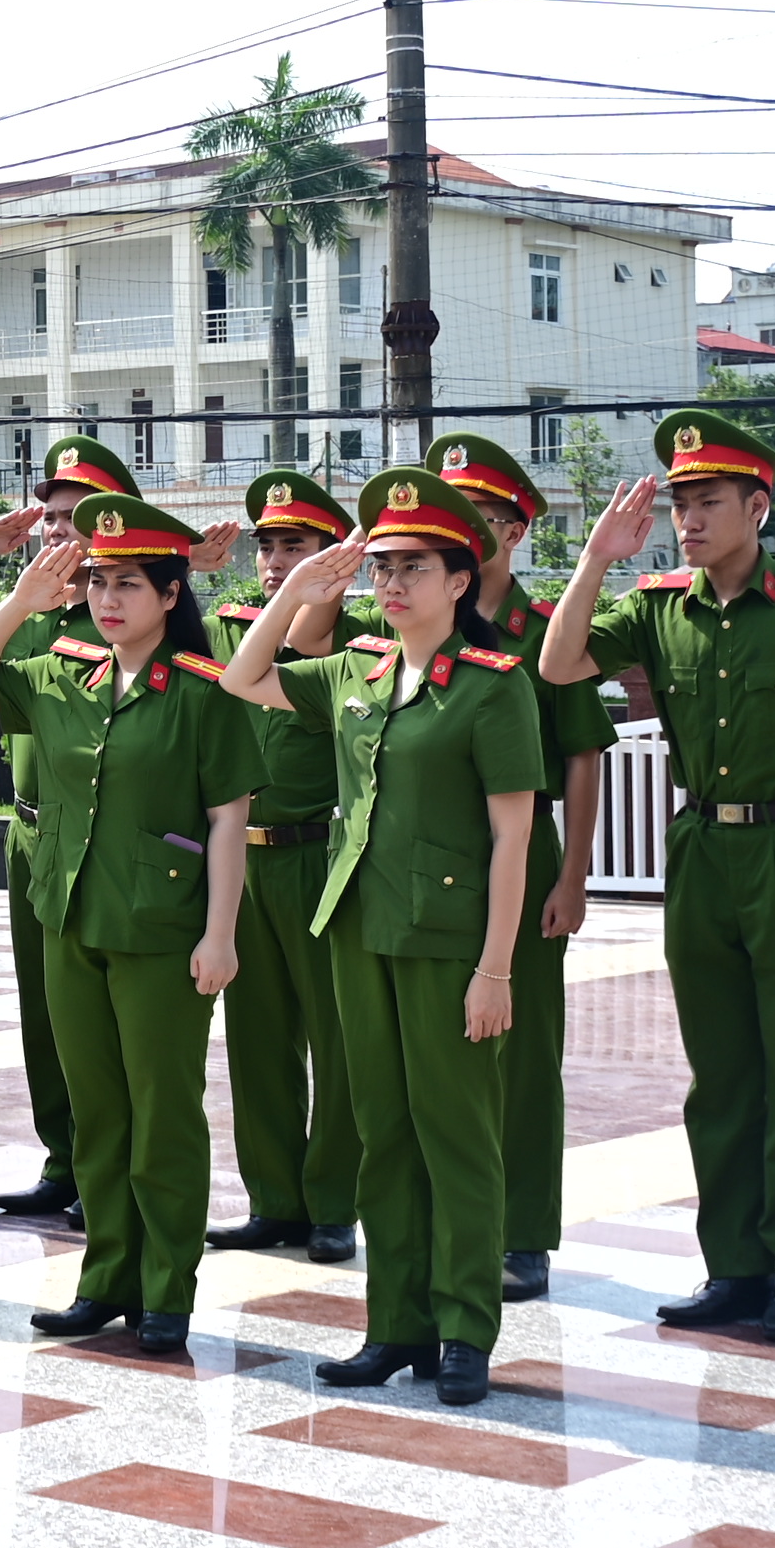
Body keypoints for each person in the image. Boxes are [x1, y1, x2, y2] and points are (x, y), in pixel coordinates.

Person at [539, 410, 775, 1346]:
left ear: (757, 506)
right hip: (698, 850)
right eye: (679, 504)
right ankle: (734, 1266)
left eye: (706, 503)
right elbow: (559, 659)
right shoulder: (658, 604)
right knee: (721, 1071)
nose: (687, 520)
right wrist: (599, 559)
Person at [220, 470, 542, 1406]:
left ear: (458, 579)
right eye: (383, 566)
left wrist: (495, 968)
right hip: (357, 929)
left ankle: (464, 1331)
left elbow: (513, 836)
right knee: (384, 1137)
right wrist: (298, 589)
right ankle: (393, 1325)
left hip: (447, 943)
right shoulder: (353, 674)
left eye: (413, 567)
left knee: (457, 1137)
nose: (391, 583)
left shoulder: (492, 689)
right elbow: (245, 676)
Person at [0, 502, 261, 1352]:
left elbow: (230, 819)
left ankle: (167, 1290)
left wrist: (221, 933)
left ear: (170, 592)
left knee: (162, 1115)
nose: (107, 598)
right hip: (69, 918)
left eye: (127, 583)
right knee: (97, 1114)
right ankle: (105, 1279)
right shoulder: (60, 672)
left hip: (164, 929)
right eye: (97, 581)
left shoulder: (204, 688)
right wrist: (20, 603)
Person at [311, 434, 613, 1304]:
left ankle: (522, 1233)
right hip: (404, 871)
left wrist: (576, 876)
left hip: (515, 853)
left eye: (472, 522)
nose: (407, 563)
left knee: (515, 1056)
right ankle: (420, 1270)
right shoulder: (392, 624)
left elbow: (582, 753)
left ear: (505, 536)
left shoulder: (538, 628)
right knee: (410, 1081)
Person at [204, 473, 364, 1267]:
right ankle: (275, 1200)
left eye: (293, 545)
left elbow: (308, 646)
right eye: (266, 545)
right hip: (243, 859)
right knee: (257, 1038)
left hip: (318, 856)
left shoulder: (366, 639)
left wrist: (318, 595)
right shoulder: (225, 628)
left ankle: (335, 1202)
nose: (272, 560)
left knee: (337, 1046)